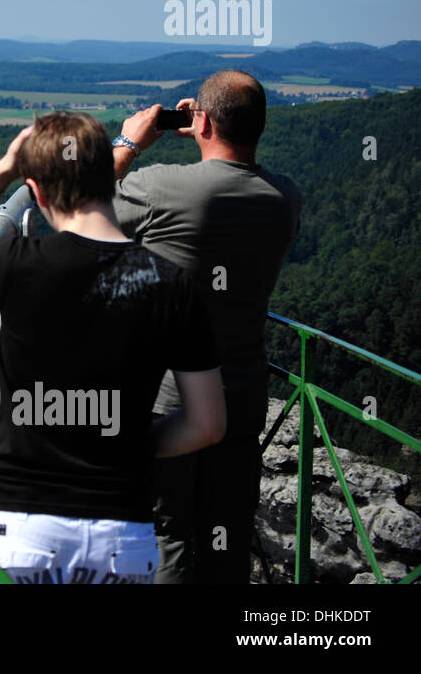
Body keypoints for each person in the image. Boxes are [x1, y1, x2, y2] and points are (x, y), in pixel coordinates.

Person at [0, 112, 226, 584]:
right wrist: (128, 441)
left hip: (14, 524)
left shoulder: (16, 263)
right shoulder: (172, 285)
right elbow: (207, 425)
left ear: (37, 193)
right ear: (109, 175)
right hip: (120, 538)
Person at [109, 69, 301, 584]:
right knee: (227, 532)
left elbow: (75, 211)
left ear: (204, 122)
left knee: (167, 530)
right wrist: (210, 127)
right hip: (241, 394)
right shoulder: (285, 200)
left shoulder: (160, 187)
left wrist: (129, 142)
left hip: (169, 396)